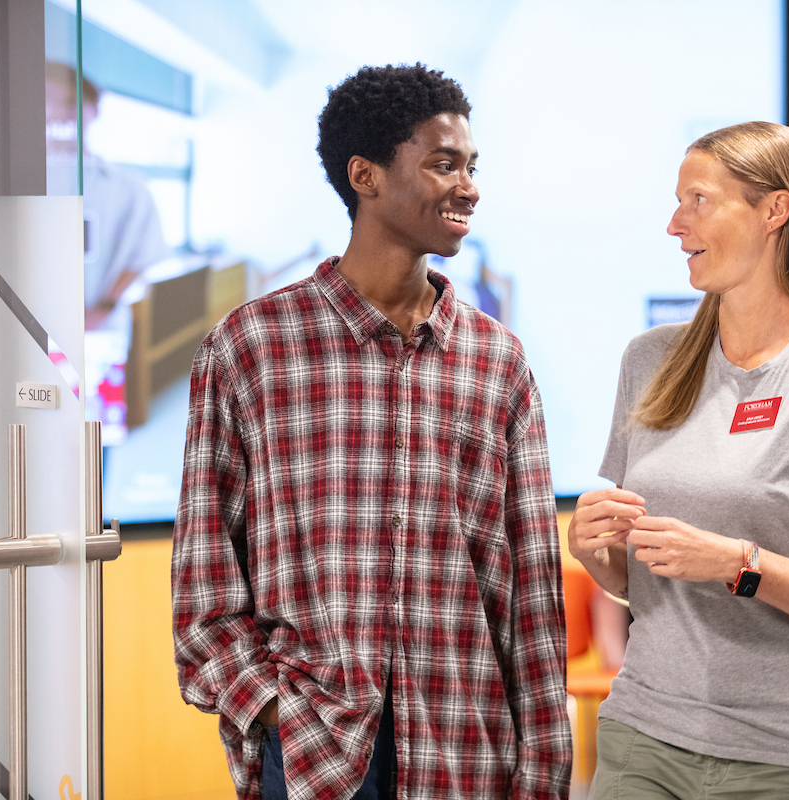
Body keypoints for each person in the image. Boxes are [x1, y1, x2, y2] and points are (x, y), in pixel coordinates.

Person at [172, 64, 572, 800]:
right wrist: (275, 714)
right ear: (366, 176)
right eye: (443, 163)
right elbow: (204, 595)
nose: (469, 186)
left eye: (473, 166)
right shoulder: (250, 348)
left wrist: (544, 766)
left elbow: (530, 599)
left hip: (466, 754)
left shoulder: (498, 363)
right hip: (315, 756)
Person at [569, 121, 789, 799]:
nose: (674, 224)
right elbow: (639, 583)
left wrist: (739, 565)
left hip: (786, 756)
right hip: (644, 735)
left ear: (775, 210)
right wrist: (595, 548)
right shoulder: (650, 361)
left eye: (698, 200)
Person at [44, 62, 168, 330]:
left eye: (68, 103)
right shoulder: (4, 182)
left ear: (94, 109)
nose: (55, 113)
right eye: (45, 102)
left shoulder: (129, 188)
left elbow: (143, 256)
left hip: (97, 332)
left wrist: (102, 309)